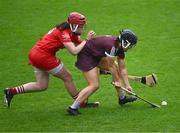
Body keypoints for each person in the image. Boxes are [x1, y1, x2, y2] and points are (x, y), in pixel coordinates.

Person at [4, 12, 97, 108]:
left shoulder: (69, 30)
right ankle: (80, 102)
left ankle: (11, 91)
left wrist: (92, 44)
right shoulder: (64, 33)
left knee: (41, 85)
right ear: (73, 25)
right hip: (43, 56)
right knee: (67, 77)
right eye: (81, 26)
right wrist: (87, 40)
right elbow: (74, 51)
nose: (82, 28)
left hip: (35, 54)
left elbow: (81, 44)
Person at [67, 29, 139, 115]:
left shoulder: (120, 47)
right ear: (125, 42)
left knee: (117, 70)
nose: (130, 48)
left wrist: (127, 85)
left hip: (96, 54)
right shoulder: (112, 46)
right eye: (130, 45)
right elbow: (111, 66)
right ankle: (73, 107)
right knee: (94, 85)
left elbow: (122, 68)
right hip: (86, 56)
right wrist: (116, 81)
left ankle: (122, 98)